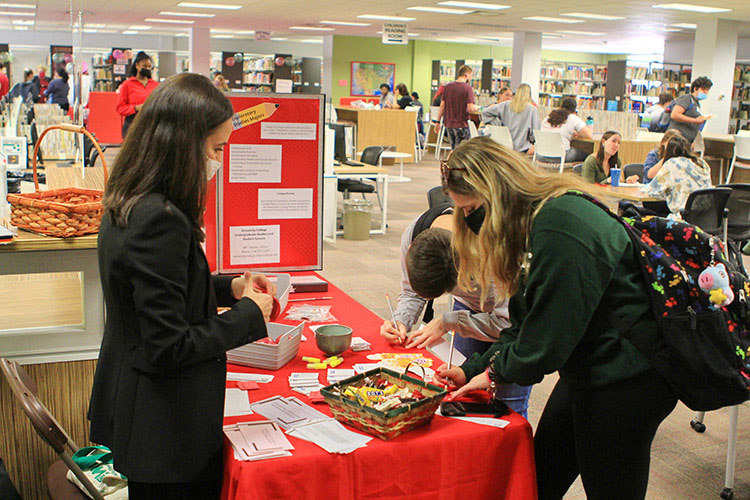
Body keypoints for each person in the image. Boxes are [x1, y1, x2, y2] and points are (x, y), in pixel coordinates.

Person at [434, 136, 678, 500]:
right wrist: (474, 368)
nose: (470, 221)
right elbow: (524, 324)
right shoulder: (533, 224)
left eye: (472, 209)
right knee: (540, 475)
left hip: (631, 375)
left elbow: (543, 346)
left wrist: (492, 373)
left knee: (610, 485)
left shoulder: (560, 226)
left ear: (498, 192)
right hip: (592, 364)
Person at [88, 73, 274, 499]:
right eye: (216, 148)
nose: (219, 161)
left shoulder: (131, 196)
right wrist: (250, 316)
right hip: (164, 424)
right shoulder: (161, 218)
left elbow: (159, 288)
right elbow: (169, 345)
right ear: (183, 145)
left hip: (137, 403)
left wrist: (229, 289)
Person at [378, 203, 532, 417]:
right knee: (461, 397)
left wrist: (449, 322)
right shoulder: (414, 235)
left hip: (514, 321)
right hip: (467, 310)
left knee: (507, 408)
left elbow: (509, 325)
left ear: (464, 264)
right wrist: (401, 321)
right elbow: (412, 292)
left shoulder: (496, 250)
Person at [644, 134, 712, 215]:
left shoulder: (673, 163)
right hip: (705, 216)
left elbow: (653, 191)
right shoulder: (701, 163)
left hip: (682, 217)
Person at [480, 83, 540, 154]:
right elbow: (536, 132)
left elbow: (485, 112)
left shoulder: (506, 105)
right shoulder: (532, 109)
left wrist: (498, 125)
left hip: (505, 146)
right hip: (523, 148)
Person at [435, 64, 479, 150]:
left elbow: (442, 106)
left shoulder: (447, 87)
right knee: (462, 151)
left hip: (449, 124)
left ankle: (449, 163)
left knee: (453, 149)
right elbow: (470, 107)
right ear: (466, 75)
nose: (470, 78)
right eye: (470, 76)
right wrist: (477, 108)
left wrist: (437, 121)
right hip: (461, 124)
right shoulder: (468, 88)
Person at [116, 51, 159, 138]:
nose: (147, 68)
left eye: (149, 67)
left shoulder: (156, 85)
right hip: (132, 124)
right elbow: (120, 108)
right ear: (137, 66)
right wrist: (136, 108)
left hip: (151, 125)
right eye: (144, 66)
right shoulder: (127, 85)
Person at [540, 97, 593, 163]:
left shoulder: (548, 117)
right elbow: (589, 135)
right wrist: (578, 134)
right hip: (561, 156)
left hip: (541, 155)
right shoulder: (573, 117)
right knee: (588, 156)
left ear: (561, 106)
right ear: (574, 110)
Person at [667, 76, 714, 144]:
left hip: (687, 140)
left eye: (707, 90)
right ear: (695, 89)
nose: (706, 92)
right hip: (677, 139)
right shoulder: (687, 98)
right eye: (703, 89)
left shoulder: (696, 103)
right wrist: (695, 120)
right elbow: (674, 115)